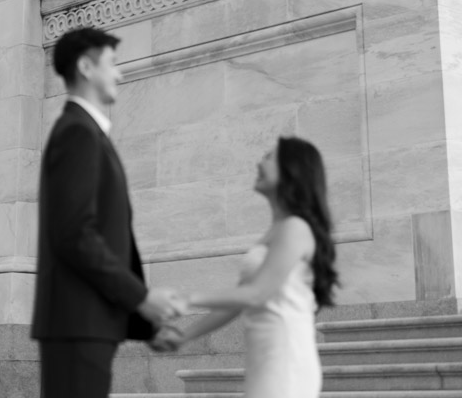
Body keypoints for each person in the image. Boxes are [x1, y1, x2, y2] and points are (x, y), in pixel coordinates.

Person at [31, 26, 180, 398]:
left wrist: (143, 319)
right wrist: (142, 298)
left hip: (88, 323)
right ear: (85, 66)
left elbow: (110, 238)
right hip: (78, 323)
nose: (120, 73)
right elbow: (75, 236)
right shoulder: (77, 133)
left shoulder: (87, 133)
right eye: (112, 63)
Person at [156, 136, 338, 398]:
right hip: (264, 359)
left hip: (286, 359)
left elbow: (257, 293)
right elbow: (239, 300)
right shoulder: (276, 231)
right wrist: (186, 336)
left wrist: (186, 298)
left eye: (268, 156)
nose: (258, 163)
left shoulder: (294, 228)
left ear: (292, 169)